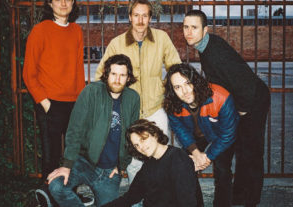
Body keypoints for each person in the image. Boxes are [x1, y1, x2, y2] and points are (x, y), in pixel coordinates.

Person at [94, 1, 181, 202]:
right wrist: (115, 98)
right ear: (130, 17)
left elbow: (175, 67)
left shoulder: (162, 38)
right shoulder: (117, 43)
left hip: (155, 110)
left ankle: (160, 200)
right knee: (134, 161)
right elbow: (102, 74)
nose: (140, 20)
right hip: (129, 112)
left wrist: (163, 87)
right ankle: (139, 201)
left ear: (150, 18)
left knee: (160, 156)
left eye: (145, 16)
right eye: (136, 15)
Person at [183, 10, 271, 207]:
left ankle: (251, 200)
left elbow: (243, 84)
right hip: (242, 97)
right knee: (241, 148)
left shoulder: (214, 51)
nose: (188, 32)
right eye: (186, 27)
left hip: (253, 99)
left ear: (205, 30)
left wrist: (241, 111)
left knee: (251, 151)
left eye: (194, 27)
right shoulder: (205, 46)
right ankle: (238, 196)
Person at [46, 54, 140, 207]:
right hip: (85, 163)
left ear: (128, 78)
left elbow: (133, 134)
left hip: (109, 173)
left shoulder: (133, 98)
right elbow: (75, 129)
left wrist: (122, 165)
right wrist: (67, 165)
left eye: (122, 75)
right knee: (56, 186)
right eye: (114, 74)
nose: (117, 79)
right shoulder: (91, 92)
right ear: (106, 74)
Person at [22, 0, 85, 205]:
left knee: (72, 155)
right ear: (50, 3)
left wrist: (81, 101)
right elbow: (29, 73)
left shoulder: (76, 30)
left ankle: (68, 194)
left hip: (74, 103)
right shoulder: (40, 31)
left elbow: (78, 70)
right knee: (51, 156)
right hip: (49, 103)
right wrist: (45, 103)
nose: (64, 3)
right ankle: (47, 198)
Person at [164, 63, 239, 207]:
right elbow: (180, 130)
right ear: (172, 90)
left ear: (195, 81)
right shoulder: (172, 104)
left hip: (220, 136)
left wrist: (207, 156)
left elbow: (228, 134)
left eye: (187, 83)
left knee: (223, 171)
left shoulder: (221, 96)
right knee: (186, 167)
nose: (184, 91)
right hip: (196, 137)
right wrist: (195, 152)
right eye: (177, 87)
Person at [102, 119, 199, 207]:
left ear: (155, 135)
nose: (141, 147)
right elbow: (131, 197)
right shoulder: (149, 164)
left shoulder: (178, 159)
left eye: (143, 139)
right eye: (136, 145)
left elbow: (188, 202)